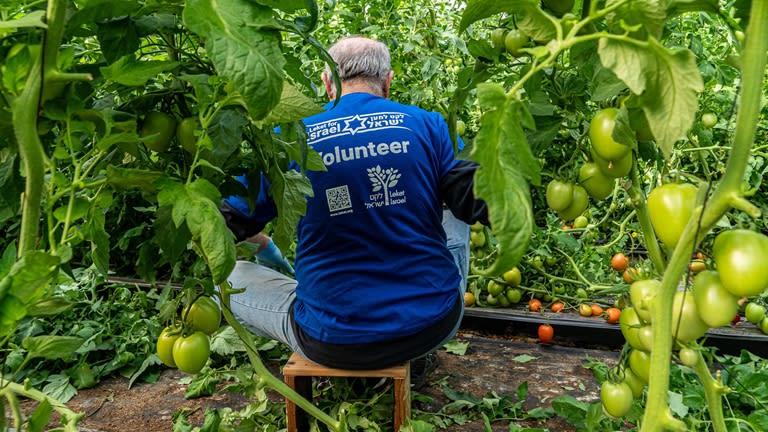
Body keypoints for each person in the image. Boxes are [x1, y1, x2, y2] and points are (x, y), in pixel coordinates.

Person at [220, 36, 488, 388]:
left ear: (327, 82)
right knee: (452, 202)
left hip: (330, 340)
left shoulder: (288, 139)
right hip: (431, 325)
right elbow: (476, 201)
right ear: (388, 81)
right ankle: (417, 349)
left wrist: (266, 245)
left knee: (224, 278)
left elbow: (225, 225)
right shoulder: (429, 125)